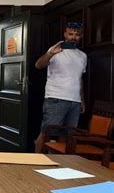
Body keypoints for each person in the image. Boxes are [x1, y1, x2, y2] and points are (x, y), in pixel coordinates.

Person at [34, 22, 87, 153]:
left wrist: (82, 100)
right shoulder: (55, 50)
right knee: (46, 133)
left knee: (67, 136)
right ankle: (34, 162)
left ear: (81, 36)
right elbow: (38, 65)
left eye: (77, 34)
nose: (73, 37)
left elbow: (79, 78)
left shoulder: (82, 56)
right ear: (65, 34)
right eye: (70, 34)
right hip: (56, 98)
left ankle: (60, 164)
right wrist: (50, 54)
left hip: (74, 101)